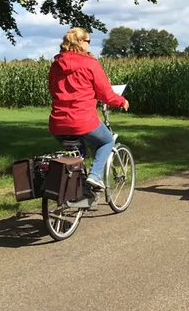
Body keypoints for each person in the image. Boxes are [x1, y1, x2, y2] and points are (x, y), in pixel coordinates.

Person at [48, 27, 129, 190]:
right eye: (88, 41)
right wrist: (121, 101)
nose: (89, 45)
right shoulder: (90, 63)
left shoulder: (56, 65)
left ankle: (75, 184)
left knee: (79, 151)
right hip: (83, 121)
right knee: (106, 141)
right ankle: (94, 176)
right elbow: (105, 93)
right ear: (81, 42)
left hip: (57, 123)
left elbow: (52, 89)